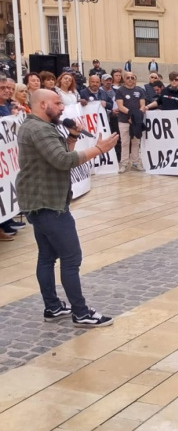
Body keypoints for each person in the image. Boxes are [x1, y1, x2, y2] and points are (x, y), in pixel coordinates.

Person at [16, 89, 118, 327]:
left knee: (47, 256)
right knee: (71, 258)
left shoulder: (37, 127)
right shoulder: (39, 130)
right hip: (48, 204)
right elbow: (63, 161)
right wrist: (99, 149)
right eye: (57, 102)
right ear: (43, 105)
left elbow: (60, 158)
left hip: (41, 201)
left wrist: (71, 138)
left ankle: (52, 307)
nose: (62, 107)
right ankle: (81, 312)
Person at [115, 72, 147, 172]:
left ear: (135, 79)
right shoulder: (120, 90)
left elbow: (142, 105)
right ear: (124, 79)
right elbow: (120, 106)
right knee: (125, 142)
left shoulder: (140, 90)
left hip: (136, 121)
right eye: (128, 77)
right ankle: (124, 163)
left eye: (132, 77)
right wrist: (131, 114)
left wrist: (137, 115)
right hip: (124, 120)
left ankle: (135, 162)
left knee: (136, 142)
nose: (130, 79)